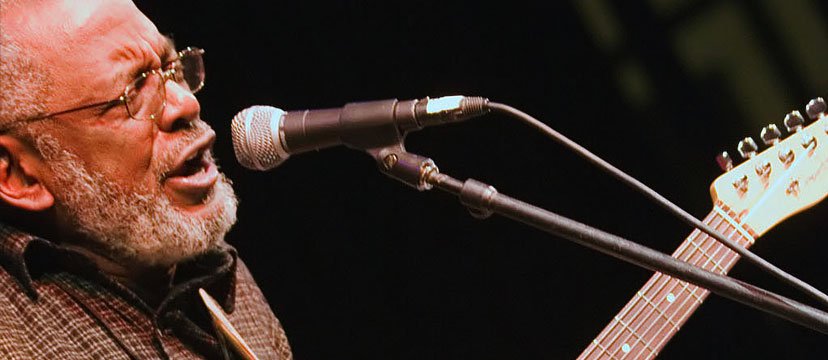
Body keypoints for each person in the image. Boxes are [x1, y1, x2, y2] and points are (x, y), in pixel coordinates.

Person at [0, 0, 292, 358]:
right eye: (134, 92)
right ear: (18, 175)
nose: (186, 105)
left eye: (172, 68)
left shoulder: (219, 276)